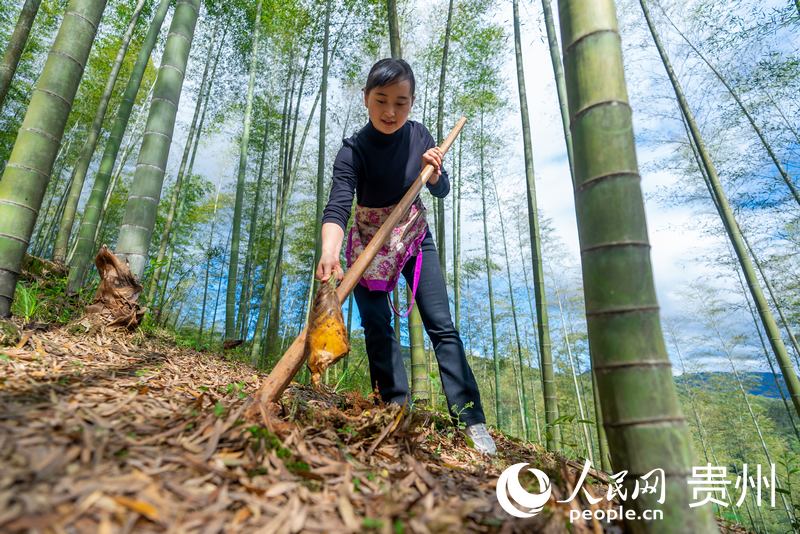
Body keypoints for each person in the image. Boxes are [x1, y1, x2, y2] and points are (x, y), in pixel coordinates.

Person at [316, 58, 496, 456]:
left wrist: (436, 173)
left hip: (413, 235)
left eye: (401, 102)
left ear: (411, 103)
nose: (390, 111)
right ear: (366, 98)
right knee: (377, 326)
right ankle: (393, 411)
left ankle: (471, 418)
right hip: (368, 241)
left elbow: (440, 190)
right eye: (381, 100)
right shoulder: (352, 151)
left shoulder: (418, 136)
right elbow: (338, 206)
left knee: (441, 324)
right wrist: (329, 250)